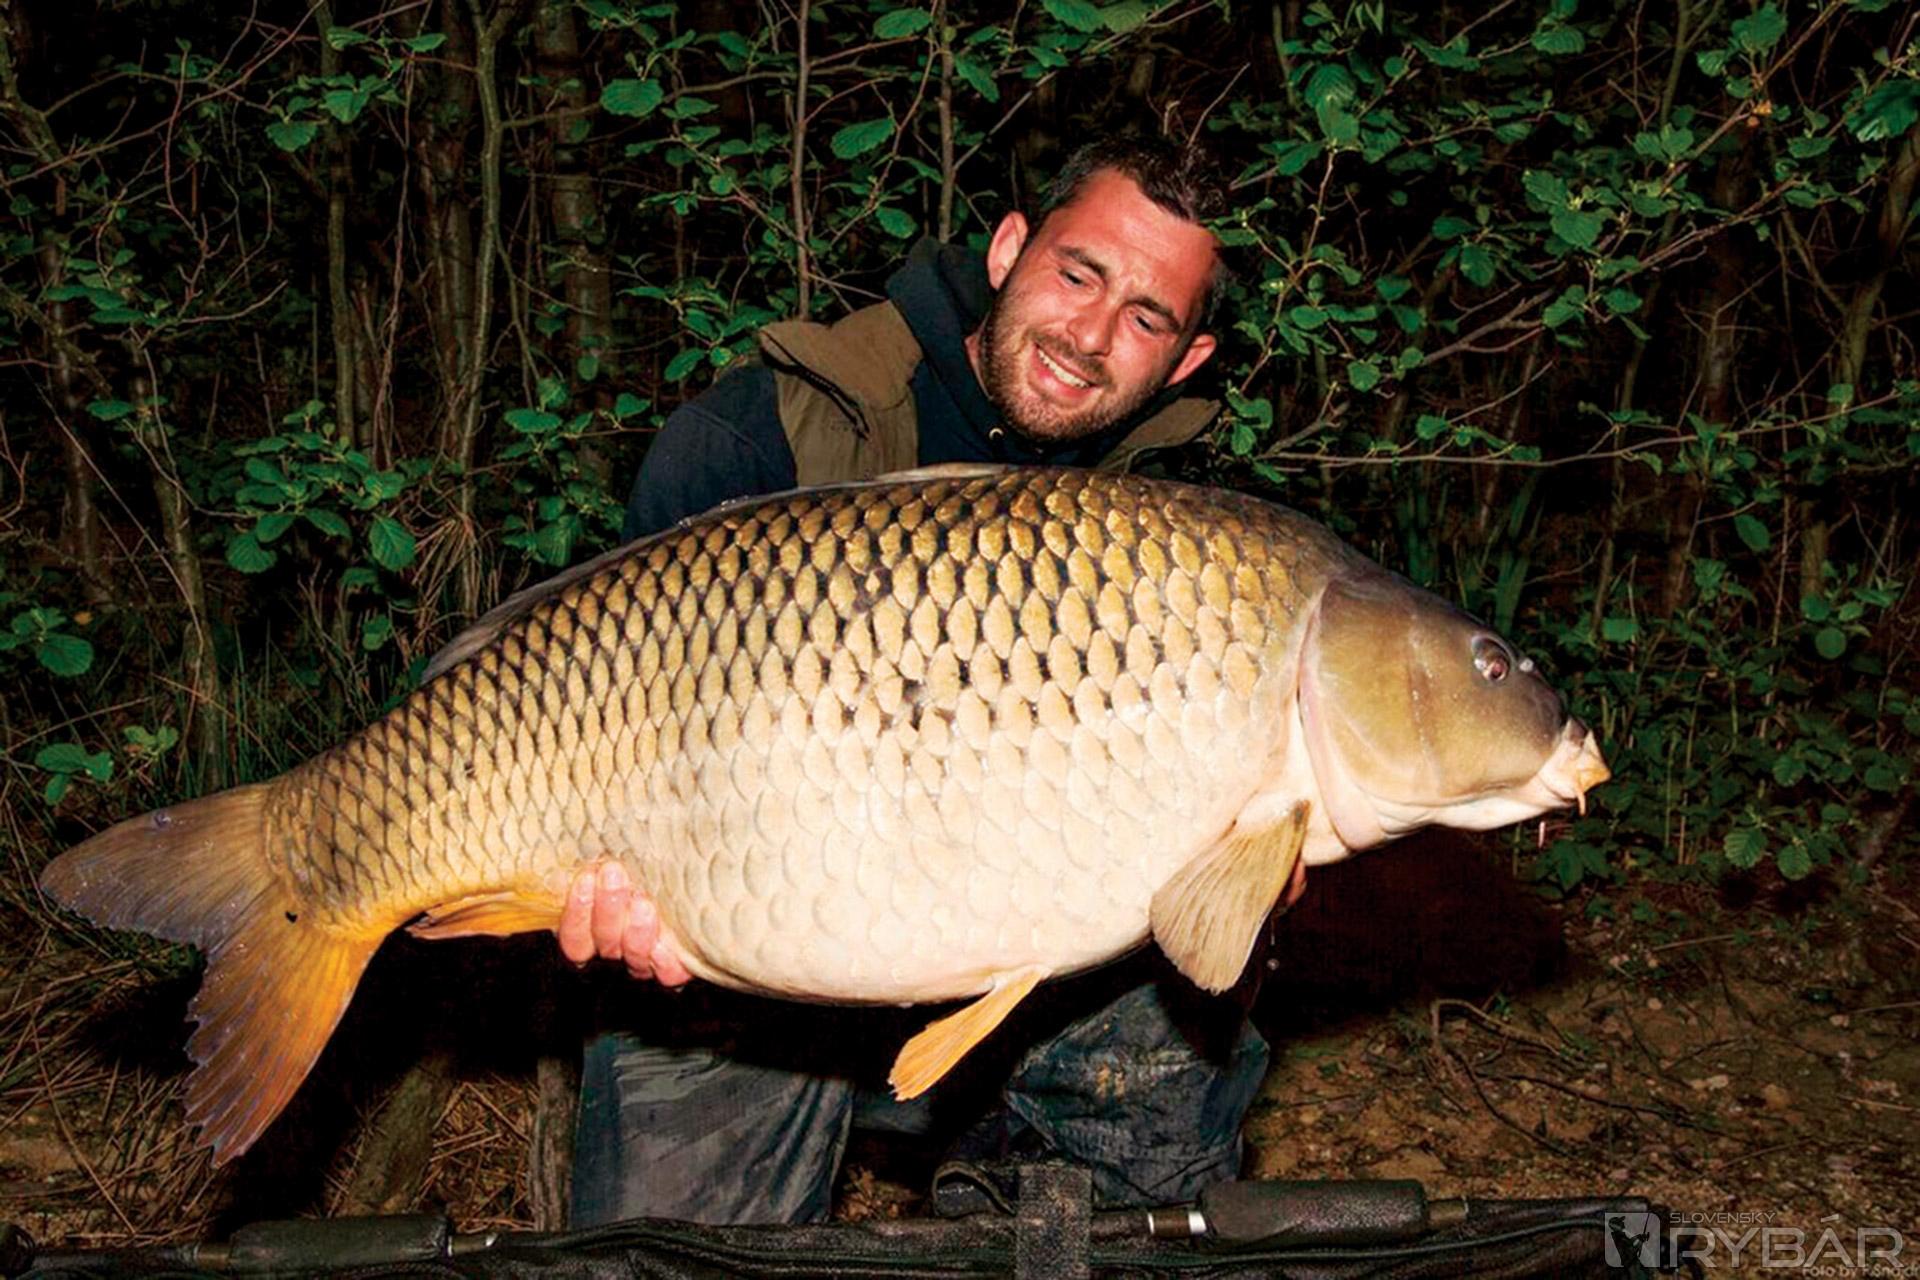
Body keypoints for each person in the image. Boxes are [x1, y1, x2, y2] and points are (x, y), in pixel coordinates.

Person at [554, 135, 1306, 1227]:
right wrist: (626, 891)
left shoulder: (1186, 529)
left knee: (1165, 1060)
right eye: (1078, 273)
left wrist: (1249, 862)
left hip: (1043, 979)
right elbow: (596, 719)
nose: (1090, 335)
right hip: (750, 958)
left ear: (1187, 361)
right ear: (1008, 250)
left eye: (1147, 318)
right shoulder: (764, 434)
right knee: (672, 1251)